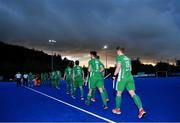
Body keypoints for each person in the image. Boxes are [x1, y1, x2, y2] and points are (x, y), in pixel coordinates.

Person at [112, 47, 146, 118]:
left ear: (119, 51)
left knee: (118, 93)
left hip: (122, 78)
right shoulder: (128, 58)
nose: (116, 53)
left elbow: (118, 68)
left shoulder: (119, 58)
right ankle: (141, 109)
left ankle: (117, 109)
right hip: (130, 77)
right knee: (133, 93)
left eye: (117, 51)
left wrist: (114, 75)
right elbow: (130, 68)